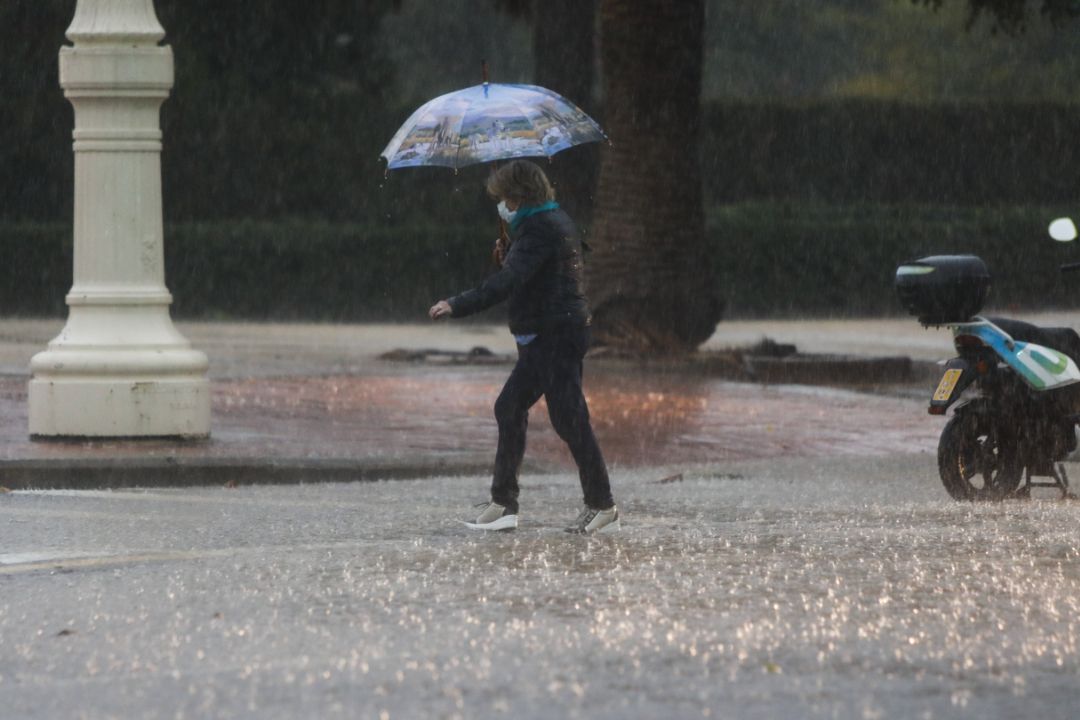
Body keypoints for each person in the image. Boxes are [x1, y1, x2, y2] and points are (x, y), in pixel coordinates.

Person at [428, 160, 619, 535]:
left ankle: (598, 505)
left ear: (518, 196)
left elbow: (508, 283)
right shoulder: (548, 221)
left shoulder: (538, 228)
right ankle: (508, 505)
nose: (501, 205)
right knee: (523, 409)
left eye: (504, 199)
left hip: (555, 336)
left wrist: (457, 304)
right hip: (553, 334)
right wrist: (509, 252)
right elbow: (534, 274)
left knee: (562, 417)